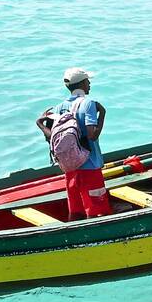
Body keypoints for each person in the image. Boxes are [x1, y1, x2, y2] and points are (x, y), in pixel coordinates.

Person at [37, 67, 110, 220]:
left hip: (70, 169)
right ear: (82, 83)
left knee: (76, 211)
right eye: (87, 81)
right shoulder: (88, 104)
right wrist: (102, 114)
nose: (89, 83)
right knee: (97, 211)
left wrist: (41, 124)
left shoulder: (59, 108)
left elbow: (53, 138)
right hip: (90, 166)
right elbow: (92, 135)